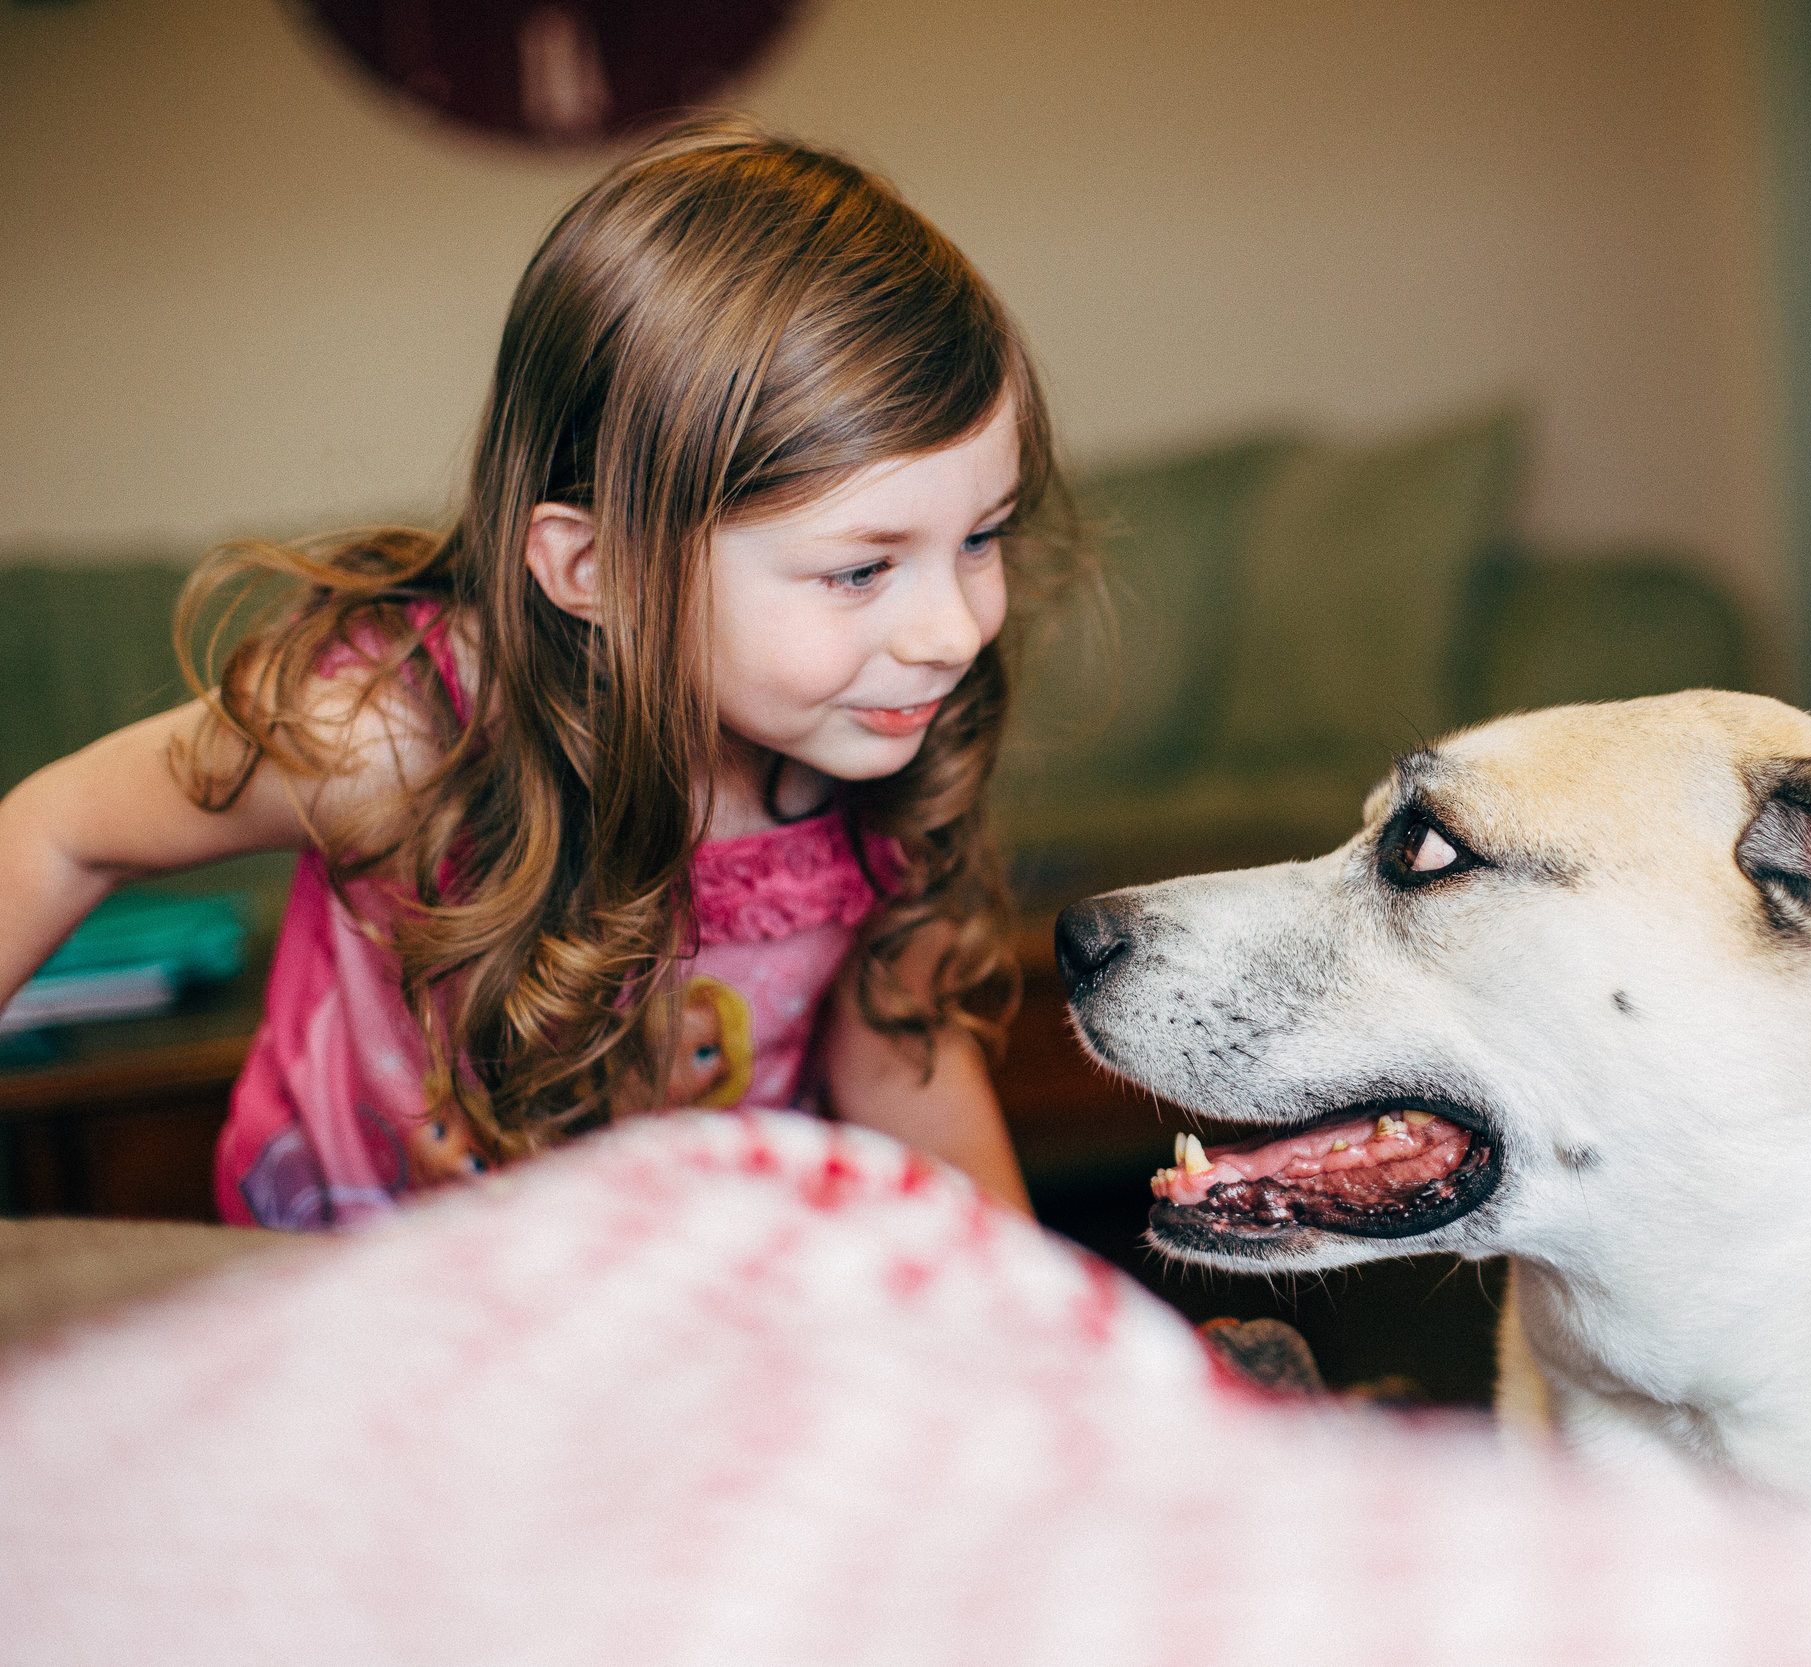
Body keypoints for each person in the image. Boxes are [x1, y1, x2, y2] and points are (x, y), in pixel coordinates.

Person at [0, 115, 1081, 1227]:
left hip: (657, 1292)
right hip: (351, 1305)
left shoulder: (874, 732)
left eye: (982, 537)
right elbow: (60, 828)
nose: (954, 629)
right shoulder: (389, 738)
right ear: (594, 567)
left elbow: (902, 1066)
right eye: (861, 569)